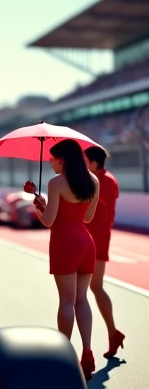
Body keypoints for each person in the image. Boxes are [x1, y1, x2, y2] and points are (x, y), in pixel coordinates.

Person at [28, 139, 99, 381]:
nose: (49, 162)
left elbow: (49, 221)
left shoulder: (56, 182)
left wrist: (39, 207)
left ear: (62, 159)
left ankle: (64, 357)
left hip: (64, 243)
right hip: (86, 242)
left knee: (66, 301)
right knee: (82, 299)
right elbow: (87, 218)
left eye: (52, 158)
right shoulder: (93, 181)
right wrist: (46, 204)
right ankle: (87, 353)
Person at [84, 145, 124, 358]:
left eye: (85, 161)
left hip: (98, 239)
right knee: (91, 288)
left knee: (94, 287)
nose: (82, 164)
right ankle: (113, 333)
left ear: (94, 162)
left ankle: (111, 333)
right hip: (87, 237)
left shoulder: (106, 181)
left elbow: (94, 201)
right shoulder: (94, 179)